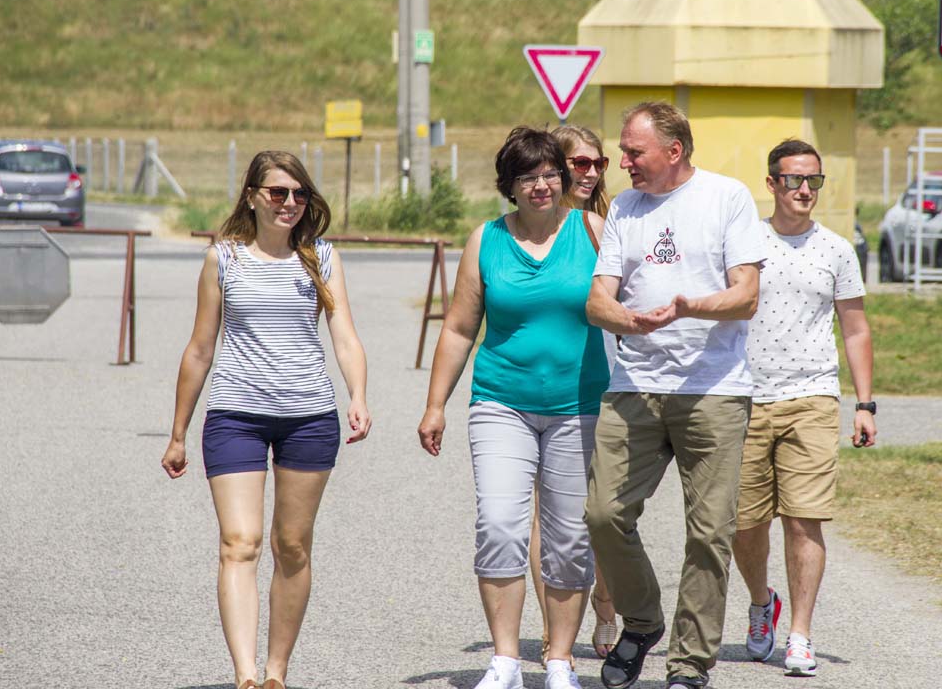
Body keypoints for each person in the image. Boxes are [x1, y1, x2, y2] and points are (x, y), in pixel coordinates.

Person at [160, 150, 371, 689]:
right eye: (278, 193)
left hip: (309, 417)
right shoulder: (223, 259)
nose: (290, 203)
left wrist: (358, 394)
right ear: (253, 196)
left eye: (299, 194)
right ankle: (247, 676)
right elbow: (200, 349)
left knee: (292, 547)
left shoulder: (322, 257)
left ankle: (277, 671)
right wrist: (178, 432)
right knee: (240, 542)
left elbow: (344, 335)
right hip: (235, 415)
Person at [583, 101, 766, 689]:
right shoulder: (625, 208)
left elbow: (746, 296)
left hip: (714, 391)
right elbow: (598, 301)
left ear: (674, 150)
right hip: (634, 385)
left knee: (709, 532)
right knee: (603, 514)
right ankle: (642, 622)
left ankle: (689, 664)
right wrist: (629, 320)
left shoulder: (726, 197)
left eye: (633, 152)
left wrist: (691, 306)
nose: (623, 163)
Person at [418, 126, 608, 689]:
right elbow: (459, 328)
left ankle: (560, 661)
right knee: (500, 524)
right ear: (509, 185)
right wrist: (435, 405)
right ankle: (505, 660)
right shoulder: (487, 239)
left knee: (569, 536)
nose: (542, 185)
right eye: (528, 177)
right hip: (501, 403)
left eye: (550, 174)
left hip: (580, 407)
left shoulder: (593, 231)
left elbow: (629, 309)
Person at [732, 138, 876, 677]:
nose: (804, 190)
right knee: (744, 524)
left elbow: (855, 329)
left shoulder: (837, 250)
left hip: (812, 397)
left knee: (804, 520)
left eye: (813, 180)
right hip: (744, 398)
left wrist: (865, 404)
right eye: (793, 179)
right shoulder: (744, 244)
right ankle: (760, 602)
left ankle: (800, 633)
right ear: (772, 183)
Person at [523, 125, 617, 665]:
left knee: (603, 510)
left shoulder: (608, 224)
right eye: (580, 163)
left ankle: (605, 601)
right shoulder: (534, 231)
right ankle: (552, 629)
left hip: (612, 381)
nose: (592, 173)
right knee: (551, 514)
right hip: (558, 388)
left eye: (598, 163)